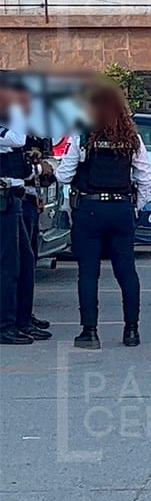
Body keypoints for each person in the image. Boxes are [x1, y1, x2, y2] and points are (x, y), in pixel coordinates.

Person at [55, 82, 151, 349]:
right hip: (121, 208)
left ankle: (90, 332)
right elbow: (146, 177)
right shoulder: (131, 138)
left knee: (88, 273)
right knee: (127, 271)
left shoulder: (82, 135)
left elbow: (64, 175)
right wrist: (135, 206)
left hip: (89, 208)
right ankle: (131, 331)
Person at [12, 79, 54, 341]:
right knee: (20, 263)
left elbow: (42, 159)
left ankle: (25, 315)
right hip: (17, 195)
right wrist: (37, 169)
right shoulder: (14, 126)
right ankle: (19, 318)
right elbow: (18, 165)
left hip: (30, 196)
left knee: (29, 261)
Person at [0, 77, 35, 345]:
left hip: (14, 197)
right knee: (8, 265)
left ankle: (21, 320)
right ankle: (6, 325)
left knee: (25, 261)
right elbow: (17, 138)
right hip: (4, 200)